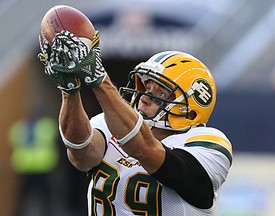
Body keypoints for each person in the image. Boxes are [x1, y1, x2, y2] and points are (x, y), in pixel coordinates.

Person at [38, 30, 233, 215]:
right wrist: (69, 91)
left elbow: (145, 150)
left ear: (189, 111)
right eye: (147, 87)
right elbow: (80, 154)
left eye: (160, 93)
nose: (145, 98)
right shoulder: (109, 124)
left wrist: (99, 79)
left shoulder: (208, 144)